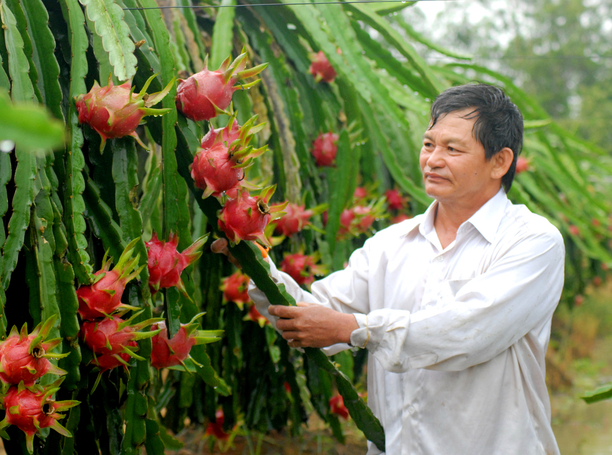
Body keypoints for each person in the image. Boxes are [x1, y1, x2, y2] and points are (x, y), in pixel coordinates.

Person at [212, 83, 564, 455]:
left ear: (500, 162)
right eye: (429, 144)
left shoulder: (532, 242)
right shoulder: (390, 244)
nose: (433, 159)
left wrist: (354, 329)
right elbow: (309, 315)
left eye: (452, 149)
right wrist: (257, 262)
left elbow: (469, 332)